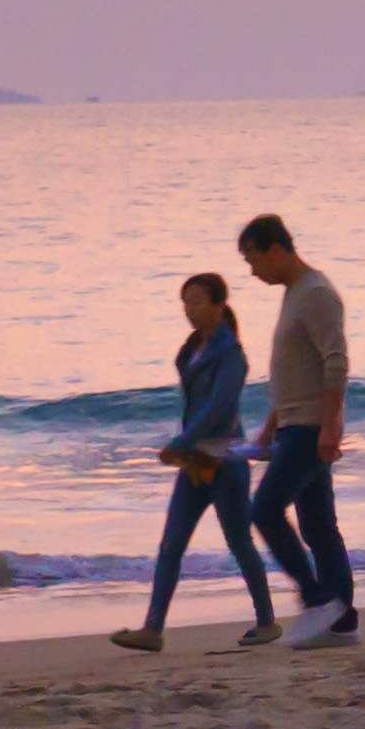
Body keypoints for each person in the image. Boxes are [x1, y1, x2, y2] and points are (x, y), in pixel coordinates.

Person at [113, 271, 277, 653]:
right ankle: (153, 629)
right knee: (171, 544)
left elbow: (218, 406)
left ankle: (267, 620)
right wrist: (185, 446)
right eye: (185, 302)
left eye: (198, 301)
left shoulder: (231, 354)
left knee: (239, 542)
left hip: (225, 462)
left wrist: (182, 441)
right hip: (195, 464)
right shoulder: (194, 349)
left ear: (219, 305)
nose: (189, 309)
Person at [238, 212, 360, 647]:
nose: (252, 271)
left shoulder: (317, 293)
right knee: (318, 527)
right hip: (293, 425)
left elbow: (335, 361)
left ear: (276, 249)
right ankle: (341, 622)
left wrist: (330, 427)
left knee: (264, 510)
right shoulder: (294, 293)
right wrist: (270, 426)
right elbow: (294, 370)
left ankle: (317, 597)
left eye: (253, 259)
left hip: (311, 428)